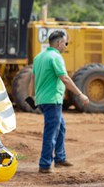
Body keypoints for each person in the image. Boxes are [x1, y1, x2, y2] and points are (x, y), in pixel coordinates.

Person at [29, 30, 90, 174]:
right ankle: (45, 164)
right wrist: (80, 94)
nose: (65, 46)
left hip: (42, 100)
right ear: (59, 43)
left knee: (60, 126)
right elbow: (65, 78)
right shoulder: (56, 57)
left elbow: (32, 79)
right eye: (65, 44)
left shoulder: (39, 57)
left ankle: (60, 158)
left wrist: (30, 96)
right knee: (51, 132)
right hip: (53, 100)